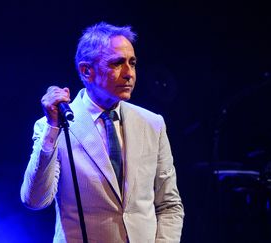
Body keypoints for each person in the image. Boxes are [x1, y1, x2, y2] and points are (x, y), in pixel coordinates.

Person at [21, 22, 184, 243]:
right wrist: (52, 128)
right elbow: (35, 200)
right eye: (117, 63)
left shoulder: (152, 123)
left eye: (132, 63)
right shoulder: (54, 125)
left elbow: (169, 205)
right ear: (86, 71)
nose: (129, 74)